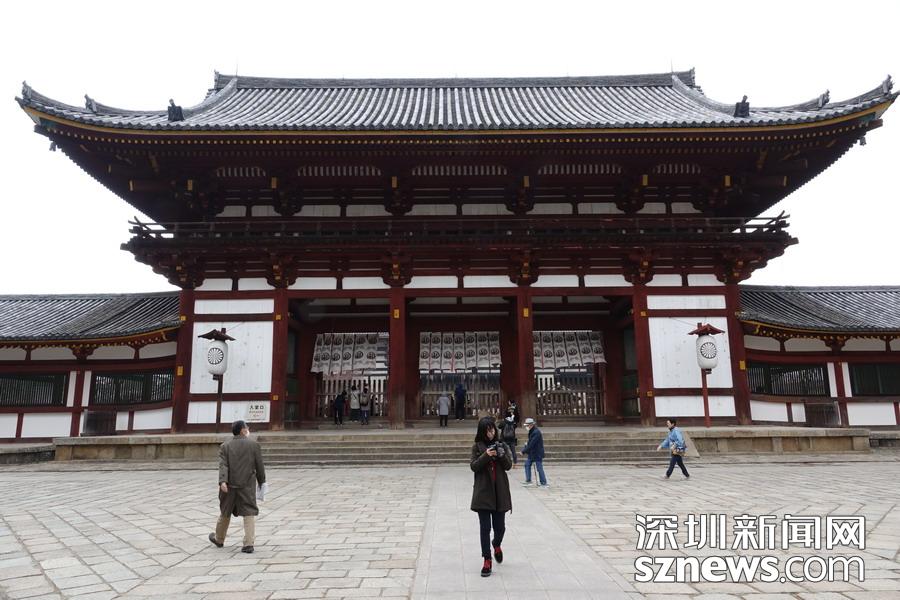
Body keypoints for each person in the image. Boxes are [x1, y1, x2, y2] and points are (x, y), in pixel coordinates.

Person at [209, 420, 266, 554]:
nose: (248, 429)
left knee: (226, 510)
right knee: (249, 512)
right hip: (247, 485)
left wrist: (223, 481)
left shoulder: (225, 446)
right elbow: (259, 466)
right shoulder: (254, 445)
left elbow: (223, 465)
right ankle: (248, 543)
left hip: (229, 485)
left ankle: (219, 538)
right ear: (242, 430)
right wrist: (262, 481)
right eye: (247, 427)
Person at [470, 416, 512, 577]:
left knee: (500, 527)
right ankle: (487, 559)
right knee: (485, 528)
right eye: (487, 431)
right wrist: (486, 455)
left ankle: (497, 544)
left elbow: (508, 466)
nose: (491, 433)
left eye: (492, 429)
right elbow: (474, 466)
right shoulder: (477, 447)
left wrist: (501, 455)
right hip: (483, 493)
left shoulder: (502, 445)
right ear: (482, 432)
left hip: (499, 492)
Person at [520, 417, 548, 487]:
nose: (526, 427)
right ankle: (528, 480)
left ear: (531, 425)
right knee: (527, 464)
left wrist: (523, 451)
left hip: (537, 453)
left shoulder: (536, 432)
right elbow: (530, 442)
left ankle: (543, 482)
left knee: (539, 468)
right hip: (532, 453)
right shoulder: (531, 431)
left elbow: (532, 444)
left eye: (527, 425)